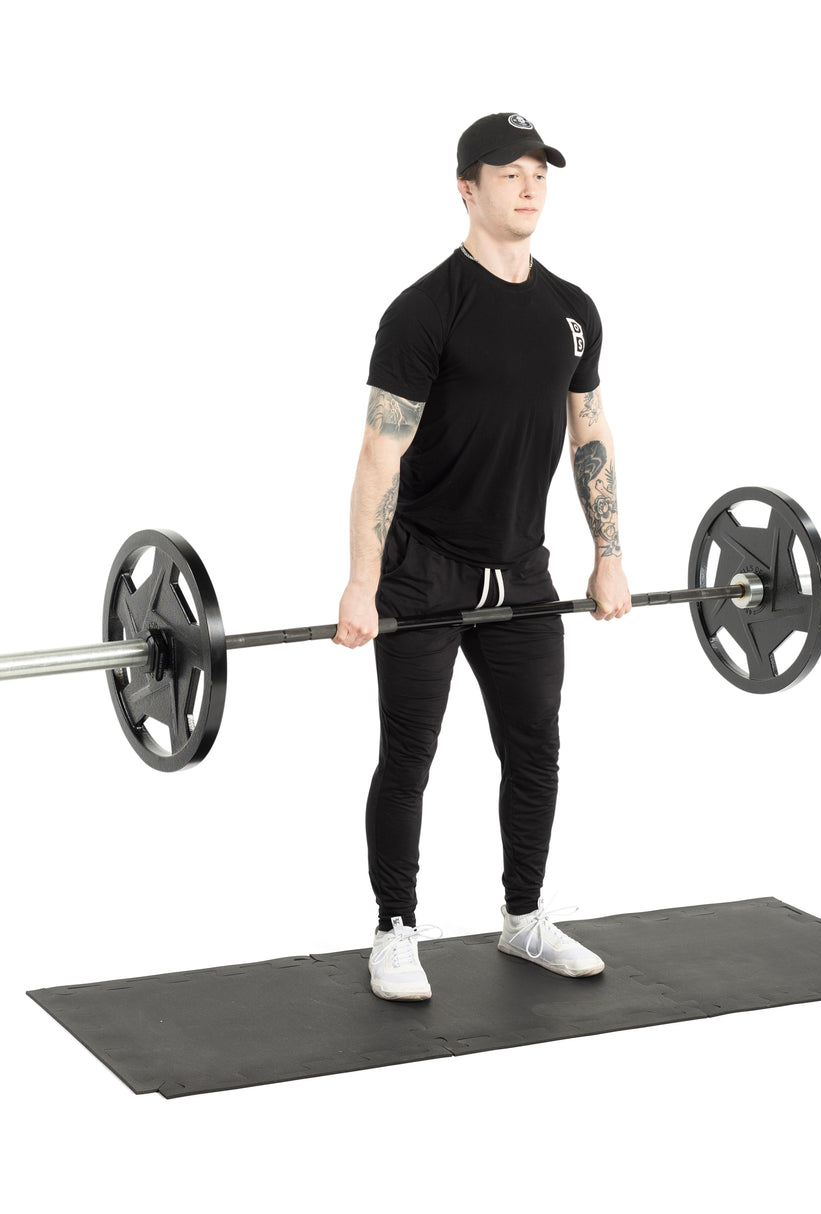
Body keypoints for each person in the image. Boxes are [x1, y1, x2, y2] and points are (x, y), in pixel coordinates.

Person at [334, 113, 631, 1001]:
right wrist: (362, 581)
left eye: (541, 171)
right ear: (467, 189)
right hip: (424, 567)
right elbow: (380, 452)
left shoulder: (573, 312)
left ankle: (525, 919)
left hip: (523, 569)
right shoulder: (426, 309)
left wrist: (610, 553)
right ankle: (394, 929)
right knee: (409, 754)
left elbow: (592, 431)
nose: (530, 186)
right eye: (510, 173)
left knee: (535, 748)